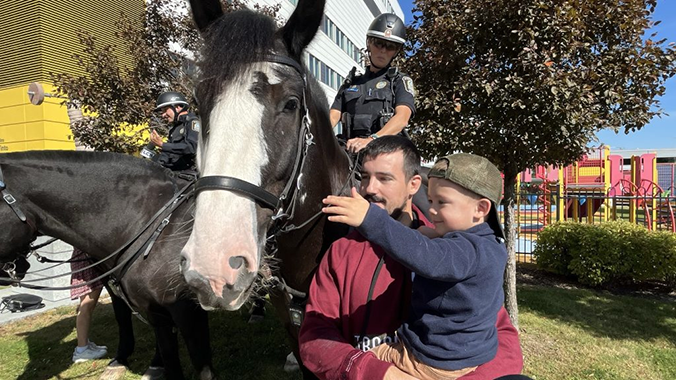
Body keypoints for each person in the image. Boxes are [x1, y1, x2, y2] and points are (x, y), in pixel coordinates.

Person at [299, 136, 523, 380]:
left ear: (414, 184)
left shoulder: (450, 249)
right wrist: (376, 373)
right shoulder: (342, 251)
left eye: (384, 178)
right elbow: (314, 334)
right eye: (364, 177)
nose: (369, 189)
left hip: (434, 364)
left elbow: (500, 332)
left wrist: (371, 219)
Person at [330, 13, 415, 154]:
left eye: (390, 46)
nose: (383, 50)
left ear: (396, 51)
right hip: (349, 149)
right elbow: (333, 116)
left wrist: (372, 139)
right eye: (378, 43)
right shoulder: (350, 84)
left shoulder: (400, 81)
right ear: (369, 42)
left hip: (385, 151)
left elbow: (402, 118)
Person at [70, 248, 108, 363]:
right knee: (87, 304)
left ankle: (84, 343)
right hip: (86, 260)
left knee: (85, 304)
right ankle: (82, 350)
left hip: (83, 259)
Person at [146, 91, 200, 171]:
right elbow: (167, 155)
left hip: (189, 174)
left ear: (177, 107)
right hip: (174, 174)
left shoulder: (193, 122)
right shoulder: (174, 129)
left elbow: (191, 148)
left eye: (165, 110)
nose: (163, 115)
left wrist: (162, 145)